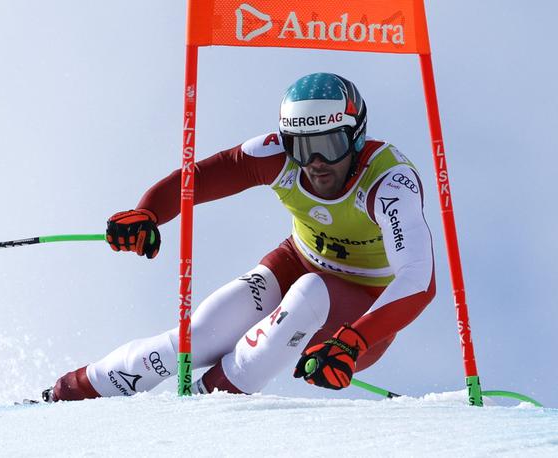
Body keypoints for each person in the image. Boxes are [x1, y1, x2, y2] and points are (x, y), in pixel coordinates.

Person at [43, 72, 435, 401]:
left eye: (329, 146)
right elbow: (202, 178)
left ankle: (200, 407)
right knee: (191, 340)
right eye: (302, 147)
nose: (315, 163)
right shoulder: (276, 156)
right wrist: (149, 212)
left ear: (356, 136)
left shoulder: (389, 182)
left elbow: (418, 280)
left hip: (361, 313)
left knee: (311, 292)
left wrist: (356, 340)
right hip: (293, 265)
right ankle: (67, 393)